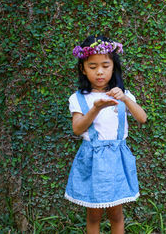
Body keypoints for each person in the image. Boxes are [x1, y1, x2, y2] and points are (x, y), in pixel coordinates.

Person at [64, 35, 147, 234]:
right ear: (83, 69)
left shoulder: (122, 96)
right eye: (92, 67)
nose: (99, 72)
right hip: (92, 160)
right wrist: (96, 108)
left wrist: (126, 100)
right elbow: (77, 129)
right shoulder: (78, 98)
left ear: (113, 67)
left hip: (117, 158)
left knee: (116, 213)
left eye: (105, 66)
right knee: (94, 214)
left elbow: (142, 118)